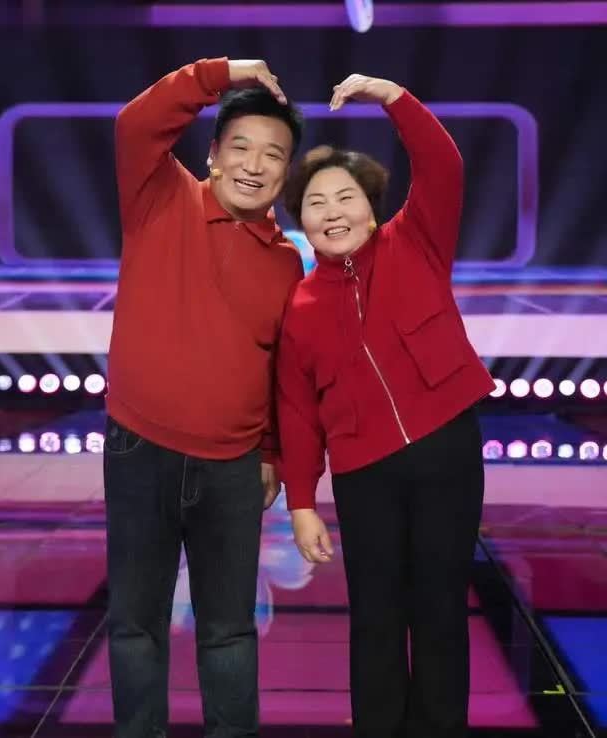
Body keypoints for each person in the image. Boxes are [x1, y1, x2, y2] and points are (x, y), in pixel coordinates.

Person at [277, 73, 495, 738]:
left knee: (439, 608)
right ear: (302, 222)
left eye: (346, 196)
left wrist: (392, 97)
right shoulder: (300, 308)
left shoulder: (416, 241)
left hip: (445, 450)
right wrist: (301, 503)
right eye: (316, 202)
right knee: (375, 614)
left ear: (372, 210)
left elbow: (442, 164)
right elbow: (296, 412)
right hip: (363, 470)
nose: (333, 211)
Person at [105, 57, 304, 738]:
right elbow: (136, 124)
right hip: (140, 447)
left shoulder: (286, 262)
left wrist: (272, 453)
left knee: (228, 631)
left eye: (273, 155)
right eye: (241, 147)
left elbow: (281, 370)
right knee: (136, 623)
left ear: (286, 173)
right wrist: (221, 73)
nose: (255, 164)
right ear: (213, 154)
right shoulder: (160, 195)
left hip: (234, 467)